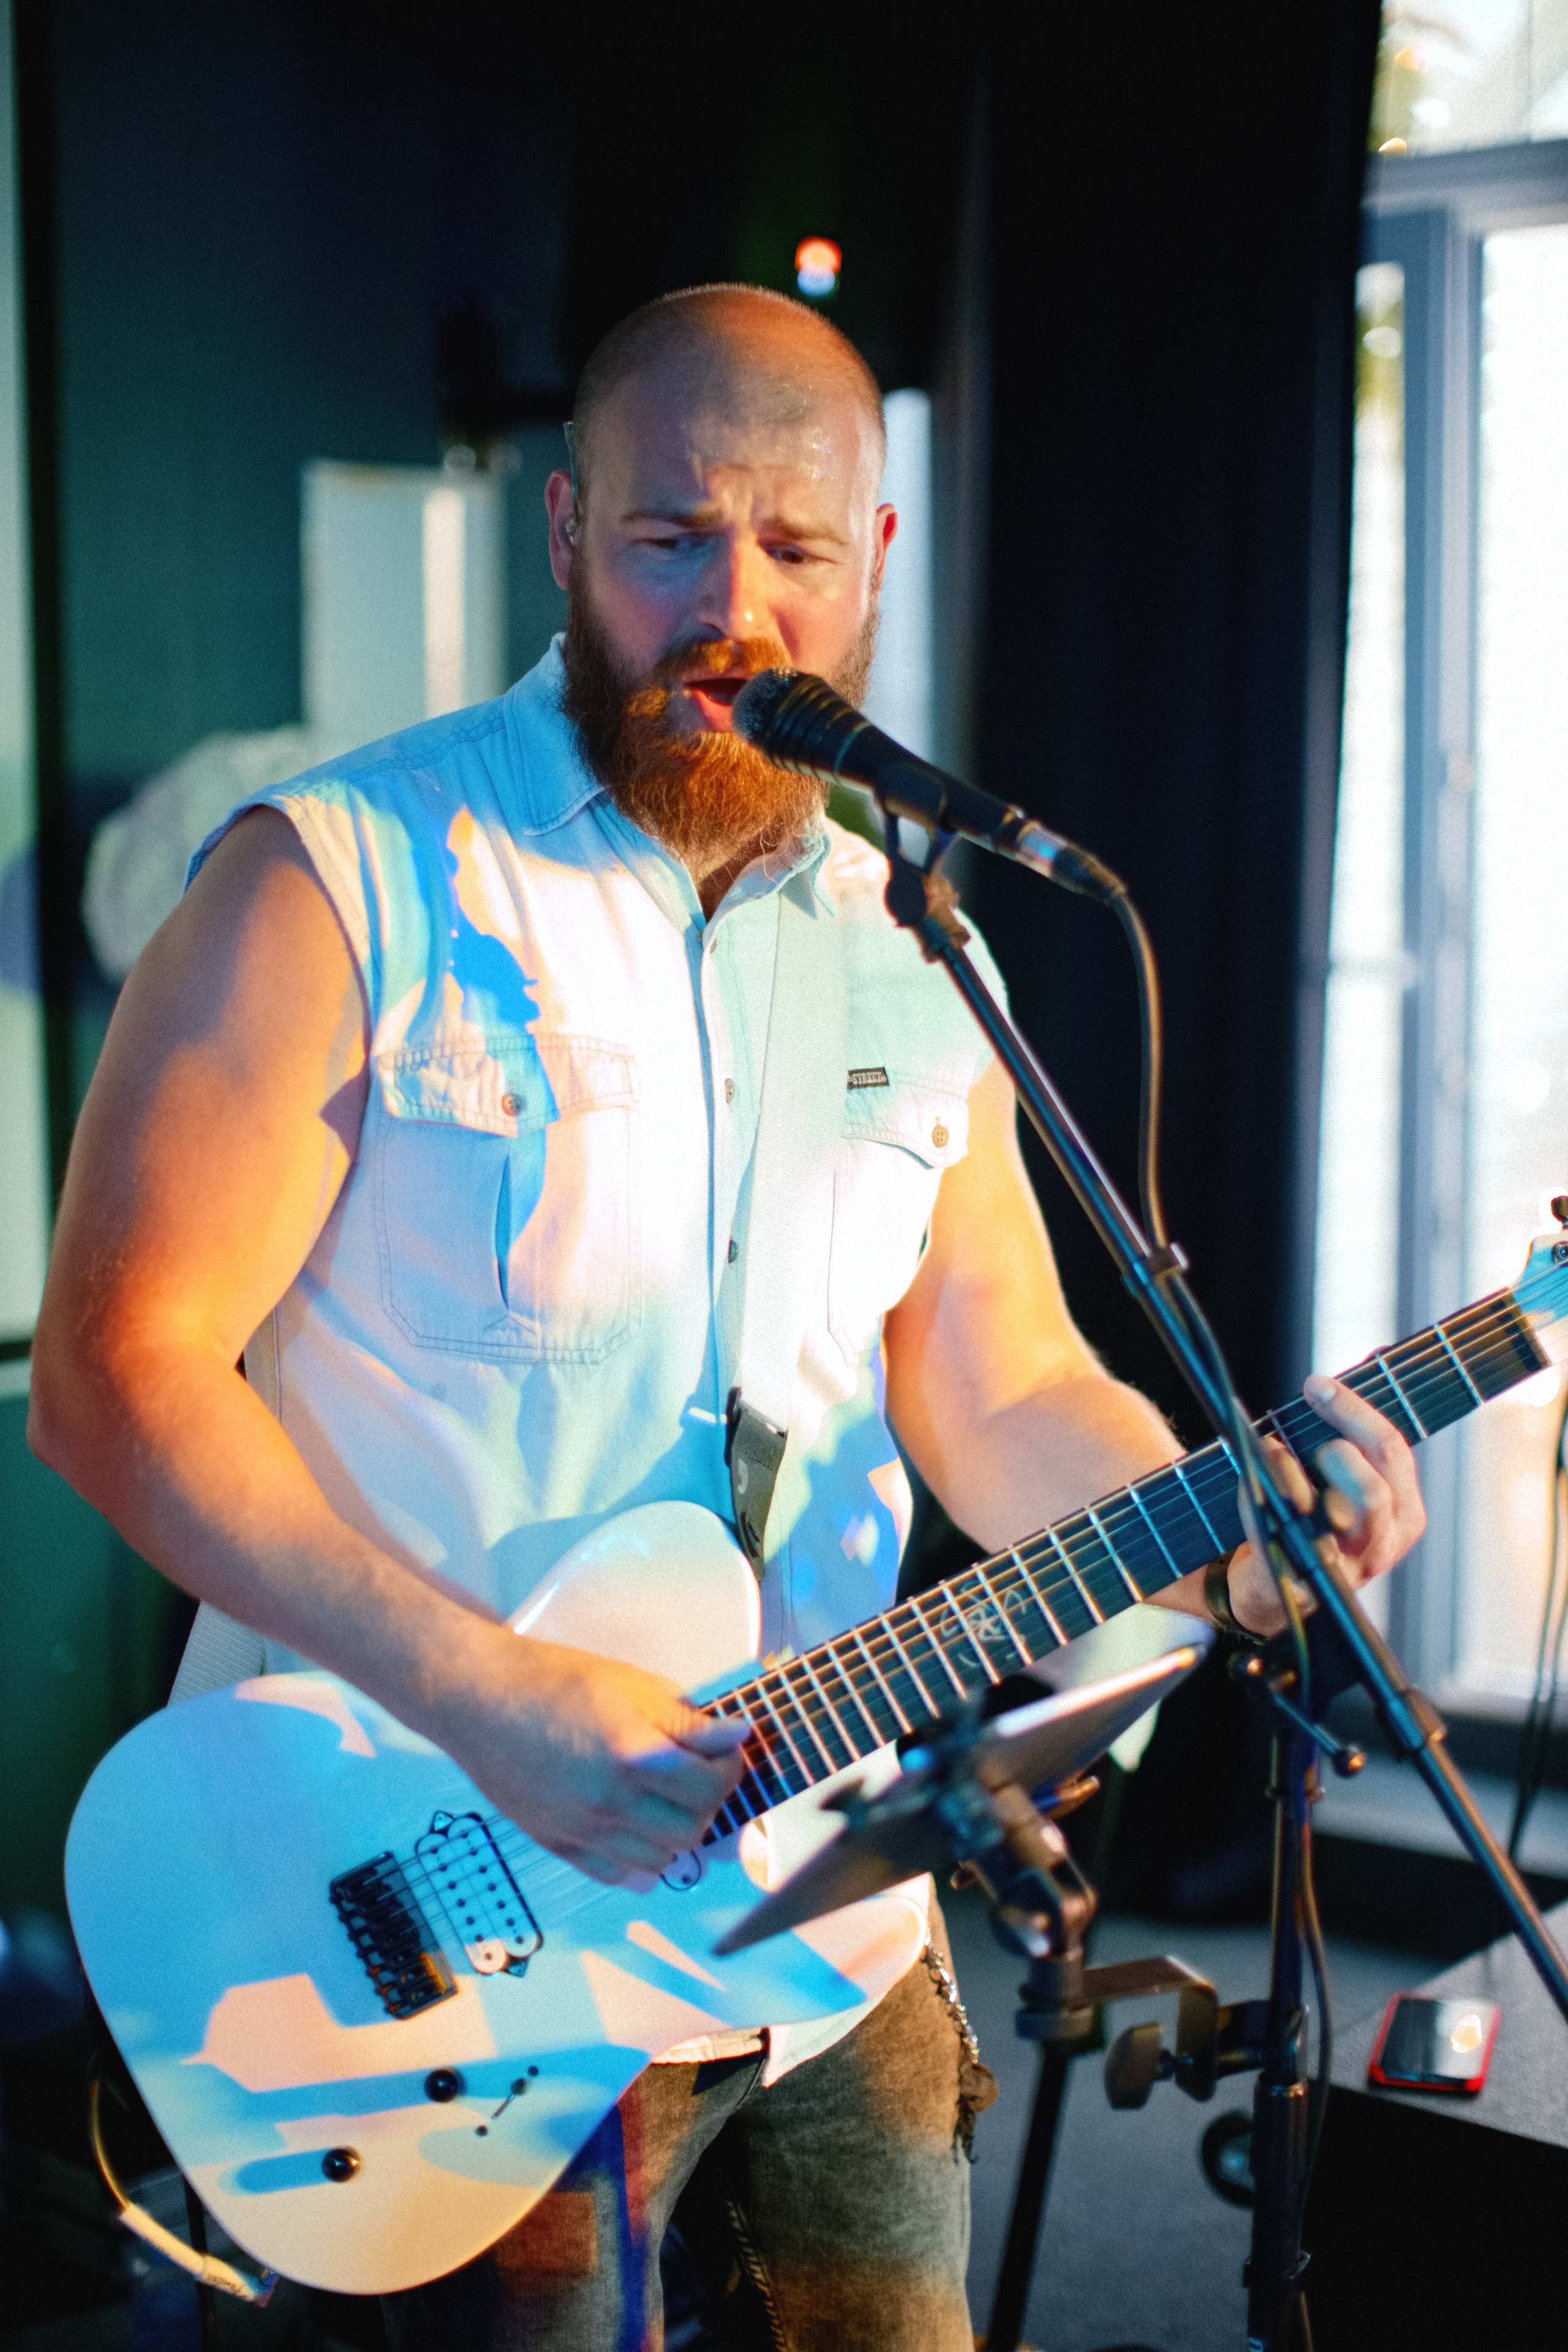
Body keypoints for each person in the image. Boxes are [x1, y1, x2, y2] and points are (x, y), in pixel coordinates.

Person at [29, 284, 1424, 2351]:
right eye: (674, 539)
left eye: (790, 551)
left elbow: (999, 1376)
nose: (732, 610)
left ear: (872, 564)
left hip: (833, 1913)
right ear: (570, 537)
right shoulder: (339, 880)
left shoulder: (909, 947)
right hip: (442, 1892)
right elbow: (113, 1385)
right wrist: (496, 1693)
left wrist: (1219, 1512)